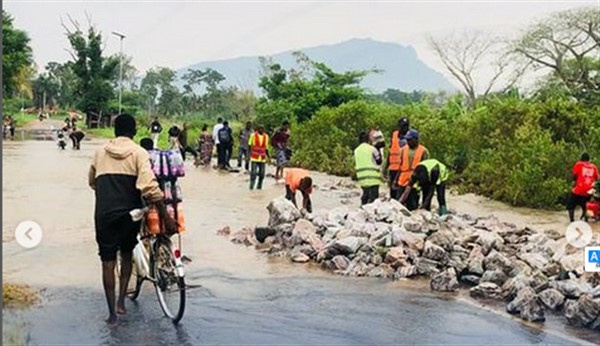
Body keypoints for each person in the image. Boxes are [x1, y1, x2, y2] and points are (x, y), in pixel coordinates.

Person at [88, 114, 177, 324]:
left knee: (107, 261)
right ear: (134, 131)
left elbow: (92, 181)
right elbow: (149, 187)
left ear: (114, 130)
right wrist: (166, 215)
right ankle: (121, 303)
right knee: (127, 253)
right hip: (131, 213)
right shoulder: (139, 152)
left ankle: (111, 314)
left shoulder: (99, 152)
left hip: (104, 213)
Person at [568, 153, 599, 222]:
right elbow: (597, 179)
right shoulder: (594, 167)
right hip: (589, 192)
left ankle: (572, 221)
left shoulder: (579, 164)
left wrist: (574, 183)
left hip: (578, 190)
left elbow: (574, 176)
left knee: (570, 205)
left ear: (581, 159)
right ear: (589, 159)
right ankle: (585, 221)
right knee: (586, 207)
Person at [354, 131, 383, 205]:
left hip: (362, 178)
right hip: (373, 178)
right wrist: (379, 148)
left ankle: (363, 208)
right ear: (368, 140)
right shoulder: (372, 149)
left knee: (365, 195)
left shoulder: (356, 150)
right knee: (373, 200)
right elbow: (379, 161)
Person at [386, 117, 410, 200]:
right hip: (393, 168)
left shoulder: (410, 137)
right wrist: (386, 166)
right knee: (393, 190)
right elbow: (390, 150)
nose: (405, 128)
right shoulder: (394, 134)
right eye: (403, 126)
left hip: (404, 169)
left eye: (406, 126)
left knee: (403, 189)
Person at [249, 125, 270, 190]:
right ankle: (251, 187)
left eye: (262, 129)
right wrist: (248, 155)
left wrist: (268, 157)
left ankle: (259, 187)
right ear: (257, 129)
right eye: (259, 128)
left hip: (262, 157)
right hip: (254, 157)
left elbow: (266, 148)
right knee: (253, 173)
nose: (261, 130)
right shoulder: (253, 135)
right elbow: (249, 145)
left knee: (262, 173)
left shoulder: (266, 136)